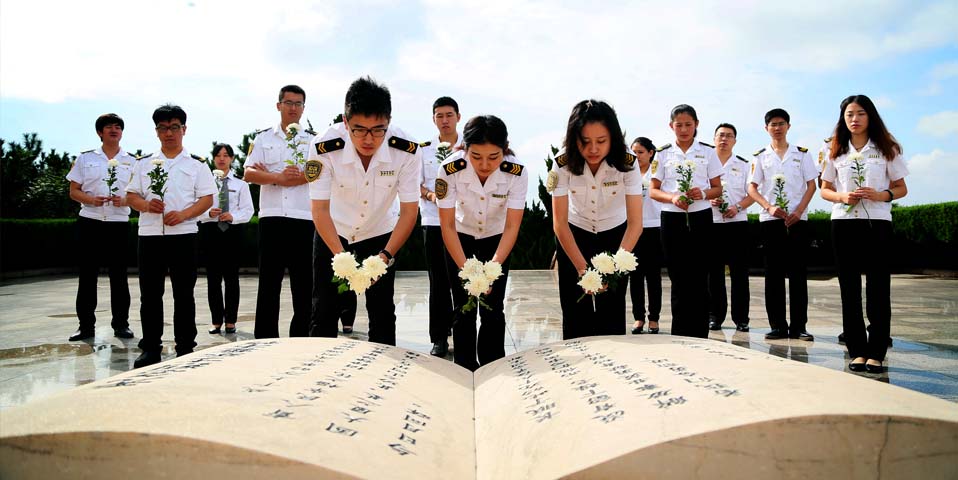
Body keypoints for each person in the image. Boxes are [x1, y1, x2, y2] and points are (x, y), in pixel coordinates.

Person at [307, 76, 421, 346]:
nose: (369, 139)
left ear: (388, 122)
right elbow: (320, 209)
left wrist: (386, 255)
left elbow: (408, 212)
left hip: (380, 232)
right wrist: (341, 257)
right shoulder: (324, 146)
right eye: (359, 129)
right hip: (334, 231)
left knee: (382, 313)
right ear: (345, 122)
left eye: (378, 130)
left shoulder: (405, 150)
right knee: (323, 310)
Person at [820, 94, 908, 374]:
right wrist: (841, 196)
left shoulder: (886, 147)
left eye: (860, 114)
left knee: (878, 288)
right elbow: (824, 188)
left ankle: (877, 352)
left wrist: (882, 194)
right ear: (842, 119)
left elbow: (901, 187)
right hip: (843, 223)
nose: (854, 119)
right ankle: (857, 350)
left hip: (877, 223)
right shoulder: (835, 148)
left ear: (870, 116)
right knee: (849, 288)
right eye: (849, 115)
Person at [126, 104, 216, 367]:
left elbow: (207, 198)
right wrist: (145, 205)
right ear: (156, 132)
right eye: (163, 128)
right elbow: (130, 196)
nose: (169, 133)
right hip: (151, 235)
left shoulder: (197, 165)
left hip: (184, 234)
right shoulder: (143, 164)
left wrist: (185, 214)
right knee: (150, 294)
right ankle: (151, 347)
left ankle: (185, 346)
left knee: (183, 293)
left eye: (174, 127)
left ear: (184, 130)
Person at [436, 115, 527, 371]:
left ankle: (492, 366)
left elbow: (512, 226)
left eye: (493, 157)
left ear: (505, 149)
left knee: (493, 308)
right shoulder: (449, 169)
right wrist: (467, 269)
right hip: (460, 239)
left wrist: (492, 268)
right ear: (465, 149)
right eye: (476, 156)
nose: (485, 164)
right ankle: (464, 366)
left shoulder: (516, 172)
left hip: (497, 240)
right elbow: (447, 225)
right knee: (463, 307)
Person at [551, 100, 643, 339]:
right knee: (574, 313)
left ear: (613, 137)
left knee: (611, 314)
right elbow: (559, 223)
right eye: (585, 142)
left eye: (601, 141)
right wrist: (583, 269)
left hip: (617, 238)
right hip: (574, 235)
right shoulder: (562, 162)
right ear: (574, 139)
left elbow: (636, 224)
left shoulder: (627, 162)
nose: (593, 149)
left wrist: (612, 271)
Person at [244, 85, 314, 339]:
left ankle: (301, 337)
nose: (293, 108)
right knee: (269, 284)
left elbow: (320, 172)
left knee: (304, 284)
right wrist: (277, 177)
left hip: (304, 218)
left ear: (304, 108)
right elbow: (249, 172)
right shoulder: (263, 138)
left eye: (298, 104)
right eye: (288, 102)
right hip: (272, 217)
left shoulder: (313, 140)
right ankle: (264, 338)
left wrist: (295, 178)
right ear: (278, 105)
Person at [649, 104, 723, 339]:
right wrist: (672, 197)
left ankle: (700, 333)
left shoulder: (708, 152)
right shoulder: (662, 153)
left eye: (688, 124)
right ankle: (679, 333)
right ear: (671, 126)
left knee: (700, 275)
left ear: (696, 125)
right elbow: (653, 190)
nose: (683, 129)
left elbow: (717, 188)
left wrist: (702, 193)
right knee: (678, 276)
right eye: (678, 125)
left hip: (700, 218)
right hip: (672, 219)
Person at [747, 108, 818, 341]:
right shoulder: (759, 156)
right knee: (773, 274)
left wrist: (799, 210)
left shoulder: (802, 154)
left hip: (797, 219)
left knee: (798, 273)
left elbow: (811, 185)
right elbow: (752, 188)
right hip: (771, 220)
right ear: (766, 128)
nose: (777, 128)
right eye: (772, 124)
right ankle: (778, 325)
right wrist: (768, 207)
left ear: (788, 126)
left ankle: (799, 326)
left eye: (781, 123)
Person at [65, 113, 136, 341]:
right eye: (109, 127)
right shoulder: (86, 159)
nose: (114, 130)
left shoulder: (132, 161)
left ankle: (121, 325)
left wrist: (125, 201)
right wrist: (89, 199)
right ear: (100, 132)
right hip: (90, 222)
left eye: (118, 127)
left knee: (119, 277)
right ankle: (85, 326)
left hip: (118, 223)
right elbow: (73, 190)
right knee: (87, 276)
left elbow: (139, 195)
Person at [419, 96, 462, 357]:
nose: (444, 120)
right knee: (437, 283)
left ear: (458, 116)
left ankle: (462, 332)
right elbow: (415, 184)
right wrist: (431, 196)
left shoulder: (469, 148)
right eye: (439, 116)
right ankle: (439, 338)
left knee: (461, 280)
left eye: (449, 115)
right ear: (433, 119)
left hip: (461, 224)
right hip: (433, 221)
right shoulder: (423, 150)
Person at [199, 143, 253, 335]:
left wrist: (233, 216)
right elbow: (196, 210)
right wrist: (208, 213)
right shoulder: (205, 184)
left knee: (231, 279)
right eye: (218, 155)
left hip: (232, 233)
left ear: (231, 159)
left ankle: (231, 320)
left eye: (226, 155)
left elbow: (248, 210)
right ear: (213, 158)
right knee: (213, 280)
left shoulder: (241, 184)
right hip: (210, 232)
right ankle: (216, 321)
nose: (222, 159)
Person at [707, 123, 754, 332]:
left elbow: (752, 193)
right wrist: (709, 201)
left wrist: (737, 207)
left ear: (735, 140)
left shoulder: (743, 165)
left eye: (729, 136)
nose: (724, 139)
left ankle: (741, 318)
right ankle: (714, 316)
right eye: (720, 135)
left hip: (737, 223)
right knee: (713, 274)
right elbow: (698, 190)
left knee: (740, 274)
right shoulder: (705, 162)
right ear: (714, 138)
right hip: (712, 223)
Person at [628, 137, 663, 334]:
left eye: (641, 152)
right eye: (634, 152)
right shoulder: (628, 172)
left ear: (651, 153)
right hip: (634, 229)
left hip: (655, 227)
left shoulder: (657, 172)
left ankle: (654, 318)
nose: (637, 156)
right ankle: (638, 318)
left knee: (653, 277)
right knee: (635, 276)